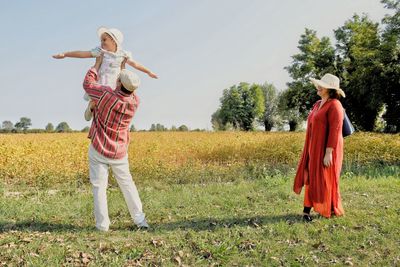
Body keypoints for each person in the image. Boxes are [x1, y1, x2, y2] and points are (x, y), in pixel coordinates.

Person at [83, 54, 148, 231]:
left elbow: (88, 85)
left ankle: (103, 226)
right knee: (127, 184)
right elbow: (125, 86)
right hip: (119, 150)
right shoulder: (135, 101)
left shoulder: (105, 95)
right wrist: (123, 68)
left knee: (99, 186)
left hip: (99, 148)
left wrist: (96, 65)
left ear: (118, 83)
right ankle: (140, 221)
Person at [53, 27, 158, 121]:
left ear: (114, 41)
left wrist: (148, 72)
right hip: (101, 80)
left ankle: (105, 115)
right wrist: (66, 54)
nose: (102, 42)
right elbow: (83, 53)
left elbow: (135, 64)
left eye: (104, 40)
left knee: (111, 103)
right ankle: (91, 107)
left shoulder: (123, 54)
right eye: (101, 40)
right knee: (97, 98)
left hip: (114, 83)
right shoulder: (100, 51)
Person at [293, 73, 346, 222]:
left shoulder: (335, 105)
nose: (318, 87)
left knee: (325, 178)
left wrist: (328, 152)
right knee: (311, 175)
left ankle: (326, 207)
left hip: (327, 148)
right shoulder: (317, 103)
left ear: (329, 89)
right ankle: (307, 210)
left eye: (321, 86)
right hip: (313, 146)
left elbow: (335, 130)